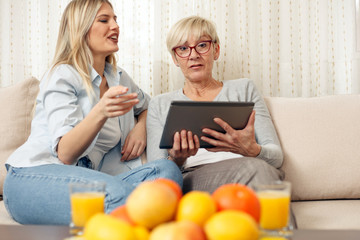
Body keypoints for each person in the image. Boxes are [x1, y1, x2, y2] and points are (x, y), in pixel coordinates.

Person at [3, 0, 182, 225]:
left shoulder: (118, 77)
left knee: (167, 174)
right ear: (82, 28)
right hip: (33, 178)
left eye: (115, 19)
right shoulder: (63, 75)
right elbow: (65, 154)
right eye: (104, 20)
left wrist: (140, 128)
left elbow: (149, 106)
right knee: (121, 193)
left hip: (91, 179)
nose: (115, 26)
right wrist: (100, 112)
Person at [147, 16, 284, 194]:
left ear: (216, 50)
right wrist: (177, 160)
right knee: (258, 172)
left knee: (260, 172)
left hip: (253, 170)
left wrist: (254, 150)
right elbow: (155, 175)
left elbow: (277, 158)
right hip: (195, 179)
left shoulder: (245, 88)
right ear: (175, 58)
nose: (193, 55)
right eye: (183, 49)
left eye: (202, 45)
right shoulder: (159, 104)